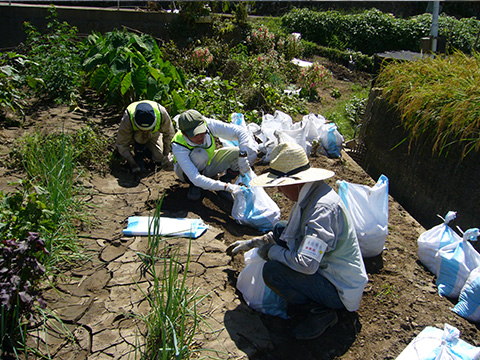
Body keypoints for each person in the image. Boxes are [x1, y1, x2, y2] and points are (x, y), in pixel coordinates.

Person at [227, 142, 368, 340]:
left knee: (273, 271)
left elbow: (307, 264)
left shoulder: (321, 211)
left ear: (295, 182)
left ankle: (320, 311)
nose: (280, 193)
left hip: (337, 287)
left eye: (281, 187)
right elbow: (288, 233)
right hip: (325, 267)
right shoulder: (310, 194)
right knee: (280, 227)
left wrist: (271, 252)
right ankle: (310, 299)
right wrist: (255, 243)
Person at [171, 109, 255, 201]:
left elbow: (241, 132)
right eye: (195, 135)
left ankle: (225, 179)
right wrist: (227, 187)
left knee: (237, 152)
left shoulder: (208, 124)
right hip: (188, 173)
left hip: (208, 162)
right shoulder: (178, 145)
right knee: (199, 154)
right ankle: (195, 186)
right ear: (184, 134)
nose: (200, 136)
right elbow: (195, 177)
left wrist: (242, 157)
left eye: (201, 131)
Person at [116, 100, 175, 174]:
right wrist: (132, 163)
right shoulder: (128, 118)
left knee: (159, 157)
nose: (145, 132)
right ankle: (139, 151)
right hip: (135, 135)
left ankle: (147, 151)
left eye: (147, 129)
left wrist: (166, 154)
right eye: (143, 129)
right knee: (139, 138)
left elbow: (169, 134)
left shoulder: (162, 113)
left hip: (154, 134)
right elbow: (121, 143)